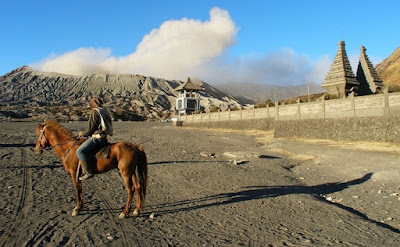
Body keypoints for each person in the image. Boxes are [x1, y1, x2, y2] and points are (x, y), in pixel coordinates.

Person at [76, 97, 113, 181]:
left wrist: (83, 133)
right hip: (104, 138)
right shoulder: (104, 110)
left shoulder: (95, 112)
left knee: (79, 151)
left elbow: (91, 129)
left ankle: (88, 172)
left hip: (97, 138)